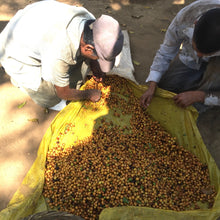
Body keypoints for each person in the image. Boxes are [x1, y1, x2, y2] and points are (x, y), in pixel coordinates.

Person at [0, 0, 124, 110]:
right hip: (15, 54)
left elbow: (86, 51)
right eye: (99, 57)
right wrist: (88, 94)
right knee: (51, 97)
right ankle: (19, 79)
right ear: (88, 47)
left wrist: (95, 64)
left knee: (79, 67)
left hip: (35, 26)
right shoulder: (60, 50)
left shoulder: (91, 22)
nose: (98, 60)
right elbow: (63, 93)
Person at [140, 0, 220, 112]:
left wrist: (200, 96)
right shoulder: (186, 17)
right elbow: (166, 51)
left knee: (203, 98)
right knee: (164, 87)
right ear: (196, 23)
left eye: (208, 54)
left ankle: (202, 103)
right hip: (189, 56)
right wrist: (153, 84)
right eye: (195, 48)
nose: (199, 55)